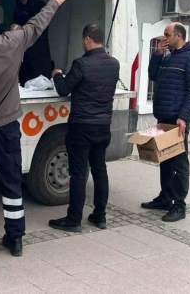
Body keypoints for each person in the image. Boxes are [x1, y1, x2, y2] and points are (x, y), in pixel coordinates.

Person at [0, 0, 67, 262]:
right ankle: (16, 239)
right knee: (11, 184)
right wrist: (54, 2)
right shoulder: (11, 42)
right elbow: (37, 25)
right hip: (8, 128)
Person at [47, 24, 120, 233]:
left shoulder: (82, 64)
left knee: (78, 174)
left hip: (81, 126)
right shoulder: (113, 64)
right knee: (100, 171)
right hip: (103, 125)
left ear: (87, 39)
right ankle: (100, 215)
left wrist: (57, 74)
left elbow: (63, 89)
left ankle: (74, 220)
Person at [141, 22, 190, 222]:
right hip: (164, 116)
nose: (164, 38)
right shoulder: (169, 56)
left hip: (178, 120)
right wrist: (158, 54)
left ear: (179, 35)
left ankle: (179, 205)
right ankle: (165, 198)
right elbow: (153, 76)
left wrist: (184, 117)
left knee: (179, 162)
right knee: (165, 159)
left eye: (167, 35)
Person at [13, 0, 53, 85]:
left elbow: (44, 22)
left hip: (39, 47)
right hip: (25, 47)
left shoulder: (39, 5)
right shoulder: (18, 8)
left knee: (41, 79)